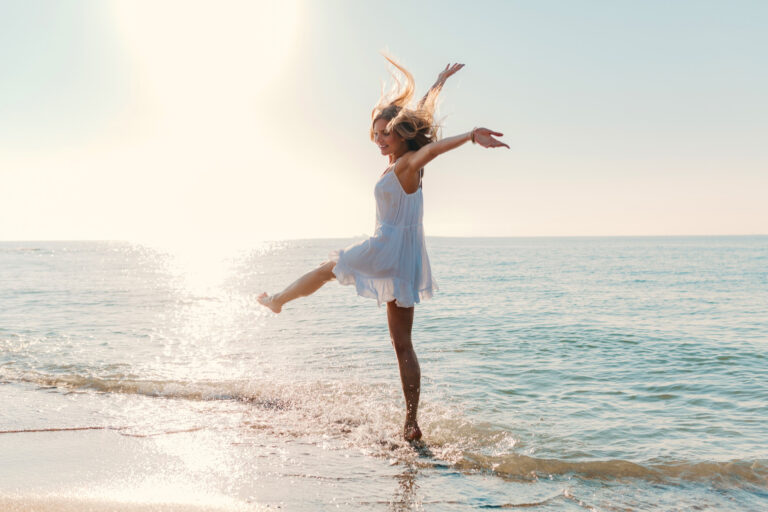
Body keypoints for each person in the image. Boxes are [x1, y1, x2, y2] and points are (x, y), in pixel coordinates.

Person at [258, 57, 508, 442]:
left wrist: (471, 135)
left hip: (388, 245)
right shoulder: (401, 161)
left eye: (386, 134)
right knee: (402, 344)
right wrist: (438, 82)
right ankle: (411, 423)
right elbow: (420, 117)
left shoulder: (408, 164)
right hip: (406, 258)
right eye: (375, 133)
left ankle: (277, 300)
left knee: (331, 266)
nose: (379, 139)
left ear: (403, 136)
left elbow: (434, 148)